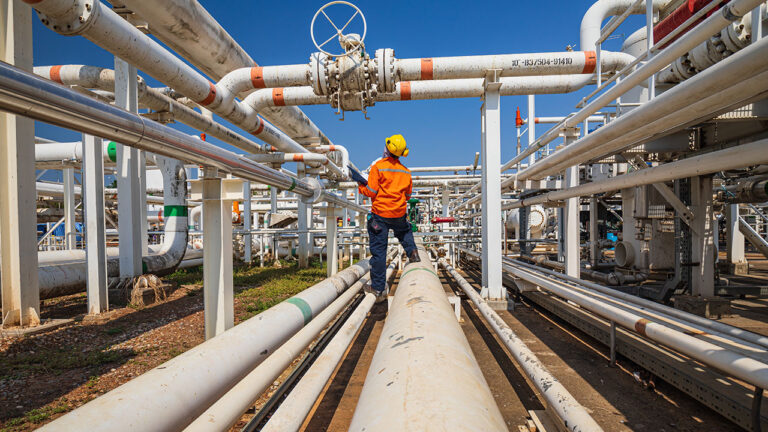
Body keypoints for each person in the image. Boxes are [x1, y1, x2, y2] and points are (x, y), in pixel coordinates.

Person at [356, 134, 420, 302]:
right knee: (404, 230)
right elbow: (407, 195)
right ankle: (413, 252)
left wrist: (360, 186)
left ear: (387, 149)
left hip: (381, 214)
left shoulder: (378, 167)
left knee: (379, 252)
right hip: (398, 213)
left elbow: (371, 191)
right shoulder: (406, 172)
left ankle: (377, 288)